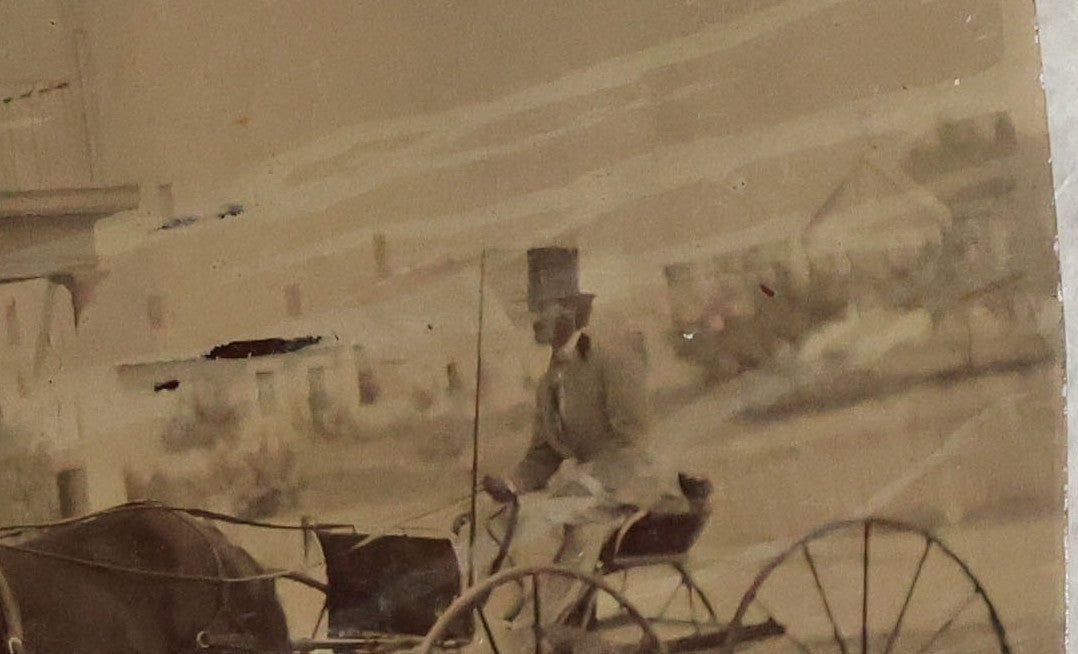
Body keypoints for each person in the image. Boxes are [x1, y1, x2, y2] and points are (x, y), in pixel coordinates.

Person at [478, 247, 677, 649]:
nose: (533, 320)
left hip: (633, 492)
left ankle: (538, 628)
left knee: (580, 527)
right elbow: (542, 454)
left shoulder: (612, 362)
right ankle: (518, 614)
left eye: (542, 310)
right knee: (498, 523)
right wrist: (511, 485)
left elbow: (633, 443)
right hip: (587, 496)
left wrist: (587, 480)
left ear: (568, 312)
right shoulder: (549, 380)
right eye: (532, 310)